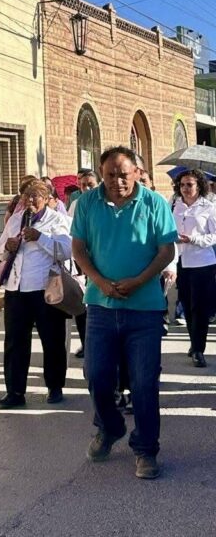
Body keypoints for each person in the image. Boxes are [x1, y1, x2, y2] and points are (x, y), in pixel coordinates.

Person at [71, 146, 176, 480]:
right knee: (97, 375)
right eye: (111, 174)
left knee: (144, 383)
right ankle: (110, 427)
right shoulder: (87, 203)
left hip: (144, 309)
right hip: (101, 306)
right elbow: (78, 248)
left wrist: (140, 281)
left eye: (124, 174)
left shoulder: (154, 203)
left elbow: (166, 250)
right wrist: (99, 281)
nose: (117, 181)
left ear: (137, 173)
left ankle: (146, 450)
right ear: (102, 173)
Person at [0, 180, 72, 408]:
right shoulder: (16, 219)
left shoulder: (57, 220)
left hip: (44, 288)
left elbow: (66, 250)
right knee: (15, 342)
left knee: (52, 340)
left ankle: (54, 386)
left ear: (47, 199)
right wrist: (7, 247)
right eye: (26, 196)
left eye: (35, 196)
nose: (30, 201)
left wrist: (40, 238)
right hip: (16, 290)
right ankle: (15, 392)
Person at [171, 169, 216, 367]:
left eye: (189, 185)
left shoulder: (209, 206)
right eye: (182, 185)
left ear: (199, 186)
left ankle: (199, 348)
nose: (185, 189)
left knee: (200, 306)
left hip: (202, 262)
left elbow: (214, 236)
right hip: (181, 260)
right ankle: (194, 341)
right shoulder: (175, 205)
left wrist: (194, 239)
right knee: (187, 304)